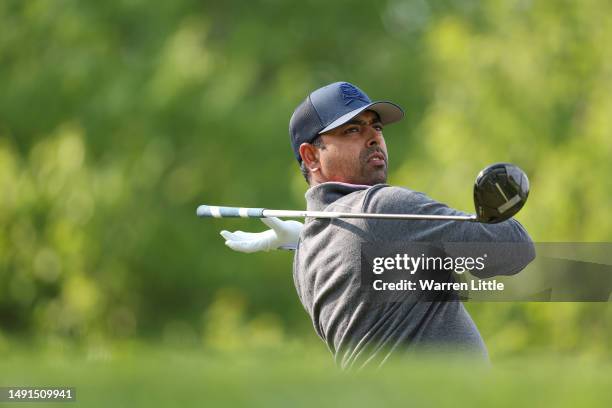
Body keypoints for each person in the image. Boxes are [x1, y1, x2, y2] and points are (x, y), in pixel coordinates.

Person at [220, 82, 535, 369]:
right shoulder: (382, 208)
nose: (373, 138)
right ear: (311, 156)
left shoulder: (307, 253)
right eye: (352, 130)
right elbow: (515, 250)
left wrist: (302, 238)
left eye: (376, 126)